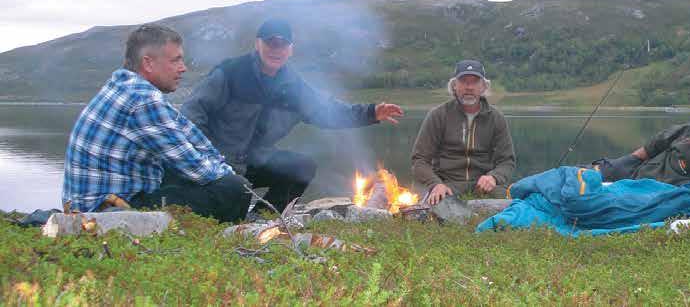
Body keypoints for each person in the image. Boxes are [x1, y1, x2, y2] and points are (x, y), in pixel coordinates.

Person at [181, 18, 404, 212]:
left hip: (256, 160)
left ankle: (264, 216)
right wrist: (204, 156)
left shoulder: (293, 85)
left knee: (302, 168)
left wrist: (371, 112)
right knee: (231, 203)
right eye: (270, 42)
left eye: (283, 44)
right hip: (217, 161)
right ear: (257, 44)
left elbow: (329, 112)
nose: (276, 49)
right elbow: (192, 112)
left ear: (290, 49)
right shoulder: (230, 73)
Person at [62, 24, 250, 222]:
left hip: (95, 202)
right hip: (105, 211)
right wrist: (230, 176)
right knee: (235, 189)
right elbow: (197, 169)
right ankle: (221, 236)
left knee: (191, 173)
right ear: (149, 63)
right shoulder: (143, 100)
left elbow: (189, 133)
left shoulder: (127, 86)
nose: (183, 68)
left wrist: (221, 165)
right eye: (175, 60)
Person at [411, 60, 516, 205]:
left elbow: (507, 161)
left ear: (484, 87)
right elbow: (419, 160)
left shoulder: (496, 118)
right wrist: (435, 183)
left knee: (509, 204)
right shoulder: (438, 115)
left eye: (474, 82)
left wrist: (494, 177)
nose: (469, 87)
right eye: (464, 81)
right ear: (454, 86)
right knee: (435, 203)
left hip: (483, 185)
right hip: (447, 184)